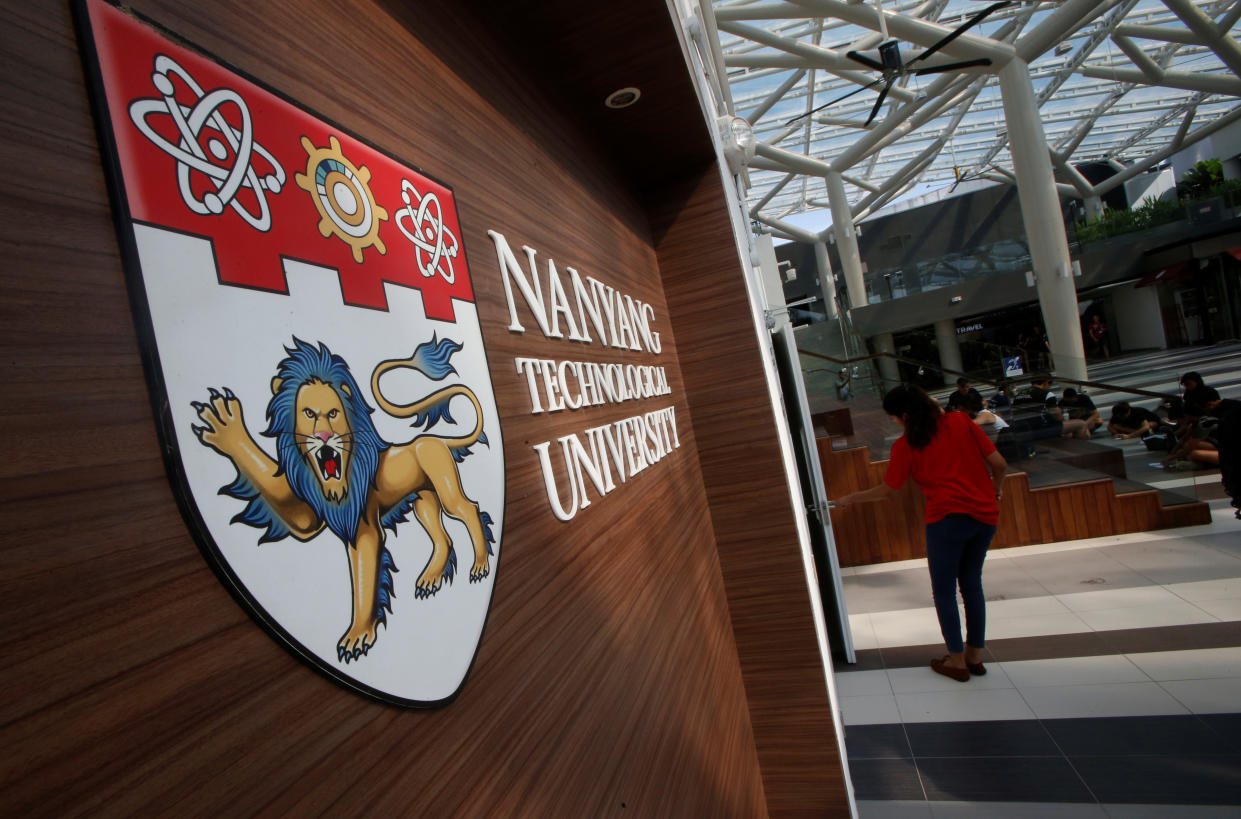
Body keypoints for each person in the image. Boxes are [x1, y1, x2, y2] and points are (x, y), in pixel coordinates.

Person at [833, 385, 1008, 683]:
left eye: (894, 419)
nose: (895, 424)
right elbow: (999, 464)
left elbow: (889, 490)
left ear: (904, 416)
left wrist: (851, 498)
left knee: (944, 592)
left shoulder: (906, 446)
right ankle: (974, 656)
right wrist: (997, 489)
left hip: (946, 521)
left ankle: (956, 662)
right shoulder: (960, 421)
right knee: (972, 585)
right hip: (985, 516)